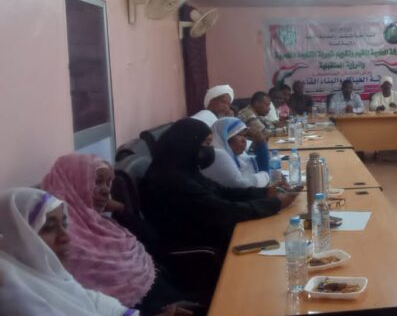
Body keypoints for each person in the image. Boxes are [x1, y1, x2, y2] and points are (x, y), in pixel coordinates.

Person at [40, 155, 193, 314]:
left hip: (169, 298)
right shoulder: (64, 242)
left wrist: (121, 209)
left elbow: (153, 241)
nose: (106, 191)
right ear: (73, 185)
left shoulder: (98, 224)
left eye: (108, 183)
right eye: (97, 182)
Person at [140, 118, 297, 251]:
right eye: (206, 143)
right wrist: (275, 203)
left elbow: (222, 192)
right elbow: (224, 212)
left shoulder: (182, 168)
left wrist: (265, 192)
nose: (210, 150)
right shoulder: (173, 181)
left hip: (211, 233)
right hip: (200, 250)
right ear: (188, 144)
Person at [0, 187, 154, 316]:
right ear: (16, 235)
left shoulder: (48, 272)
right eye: (49, 228)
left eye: (64, 224)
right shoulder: (12, 291)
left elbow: (89, 299)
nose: (65, 237)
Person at [201, 117, 278, 188]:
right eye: (239, 135)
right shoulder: (217, 156)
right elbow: (244, 187)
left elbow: (260, 164)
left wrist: (260, 144)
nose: (244, 140)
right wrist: (261, 144)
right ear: (224, 137)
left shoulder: (237, 156)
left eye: (245, 136)